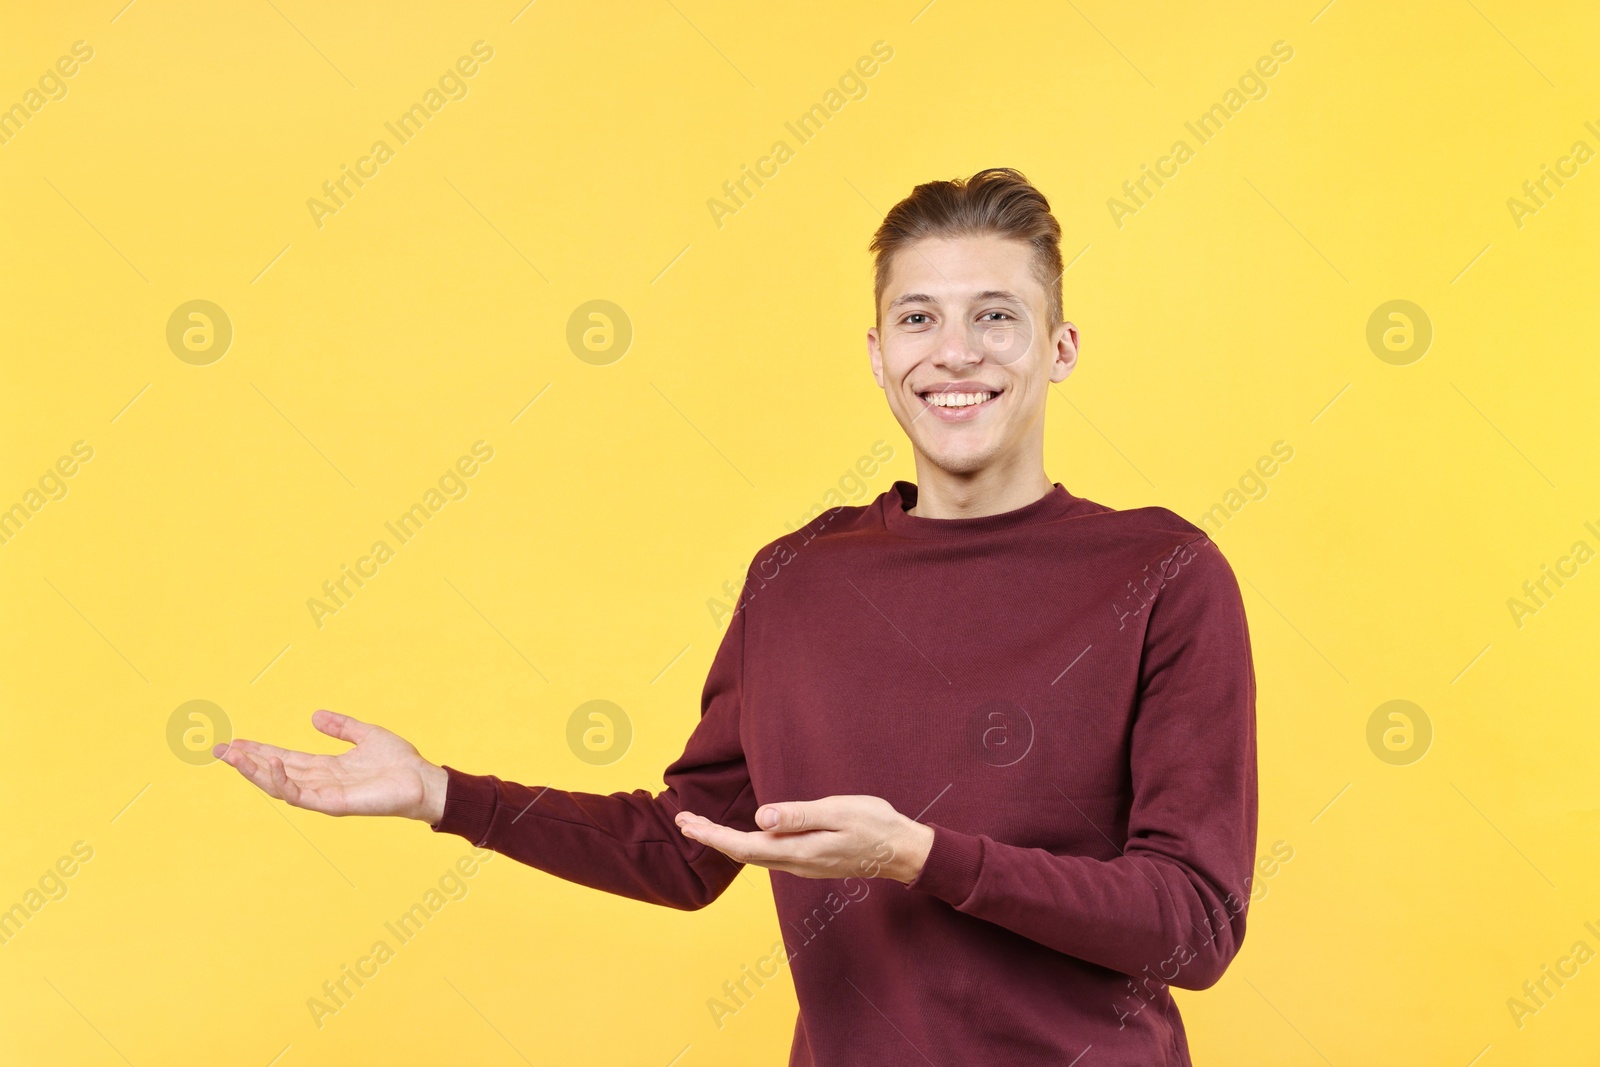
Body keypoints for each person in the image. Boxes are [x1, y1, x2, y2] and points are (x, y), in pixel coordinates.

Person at [218, 167, 1258, 1066]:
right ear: (875, 349)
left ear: (1060, 346)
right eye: (918, 317)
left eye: (995, 314)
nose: (954, 352)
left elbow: (1194, 924)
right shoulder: (797, 580)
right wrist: (444, 794)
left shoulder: (1162, 573)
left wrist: (919, 856)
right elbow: (688, 848)